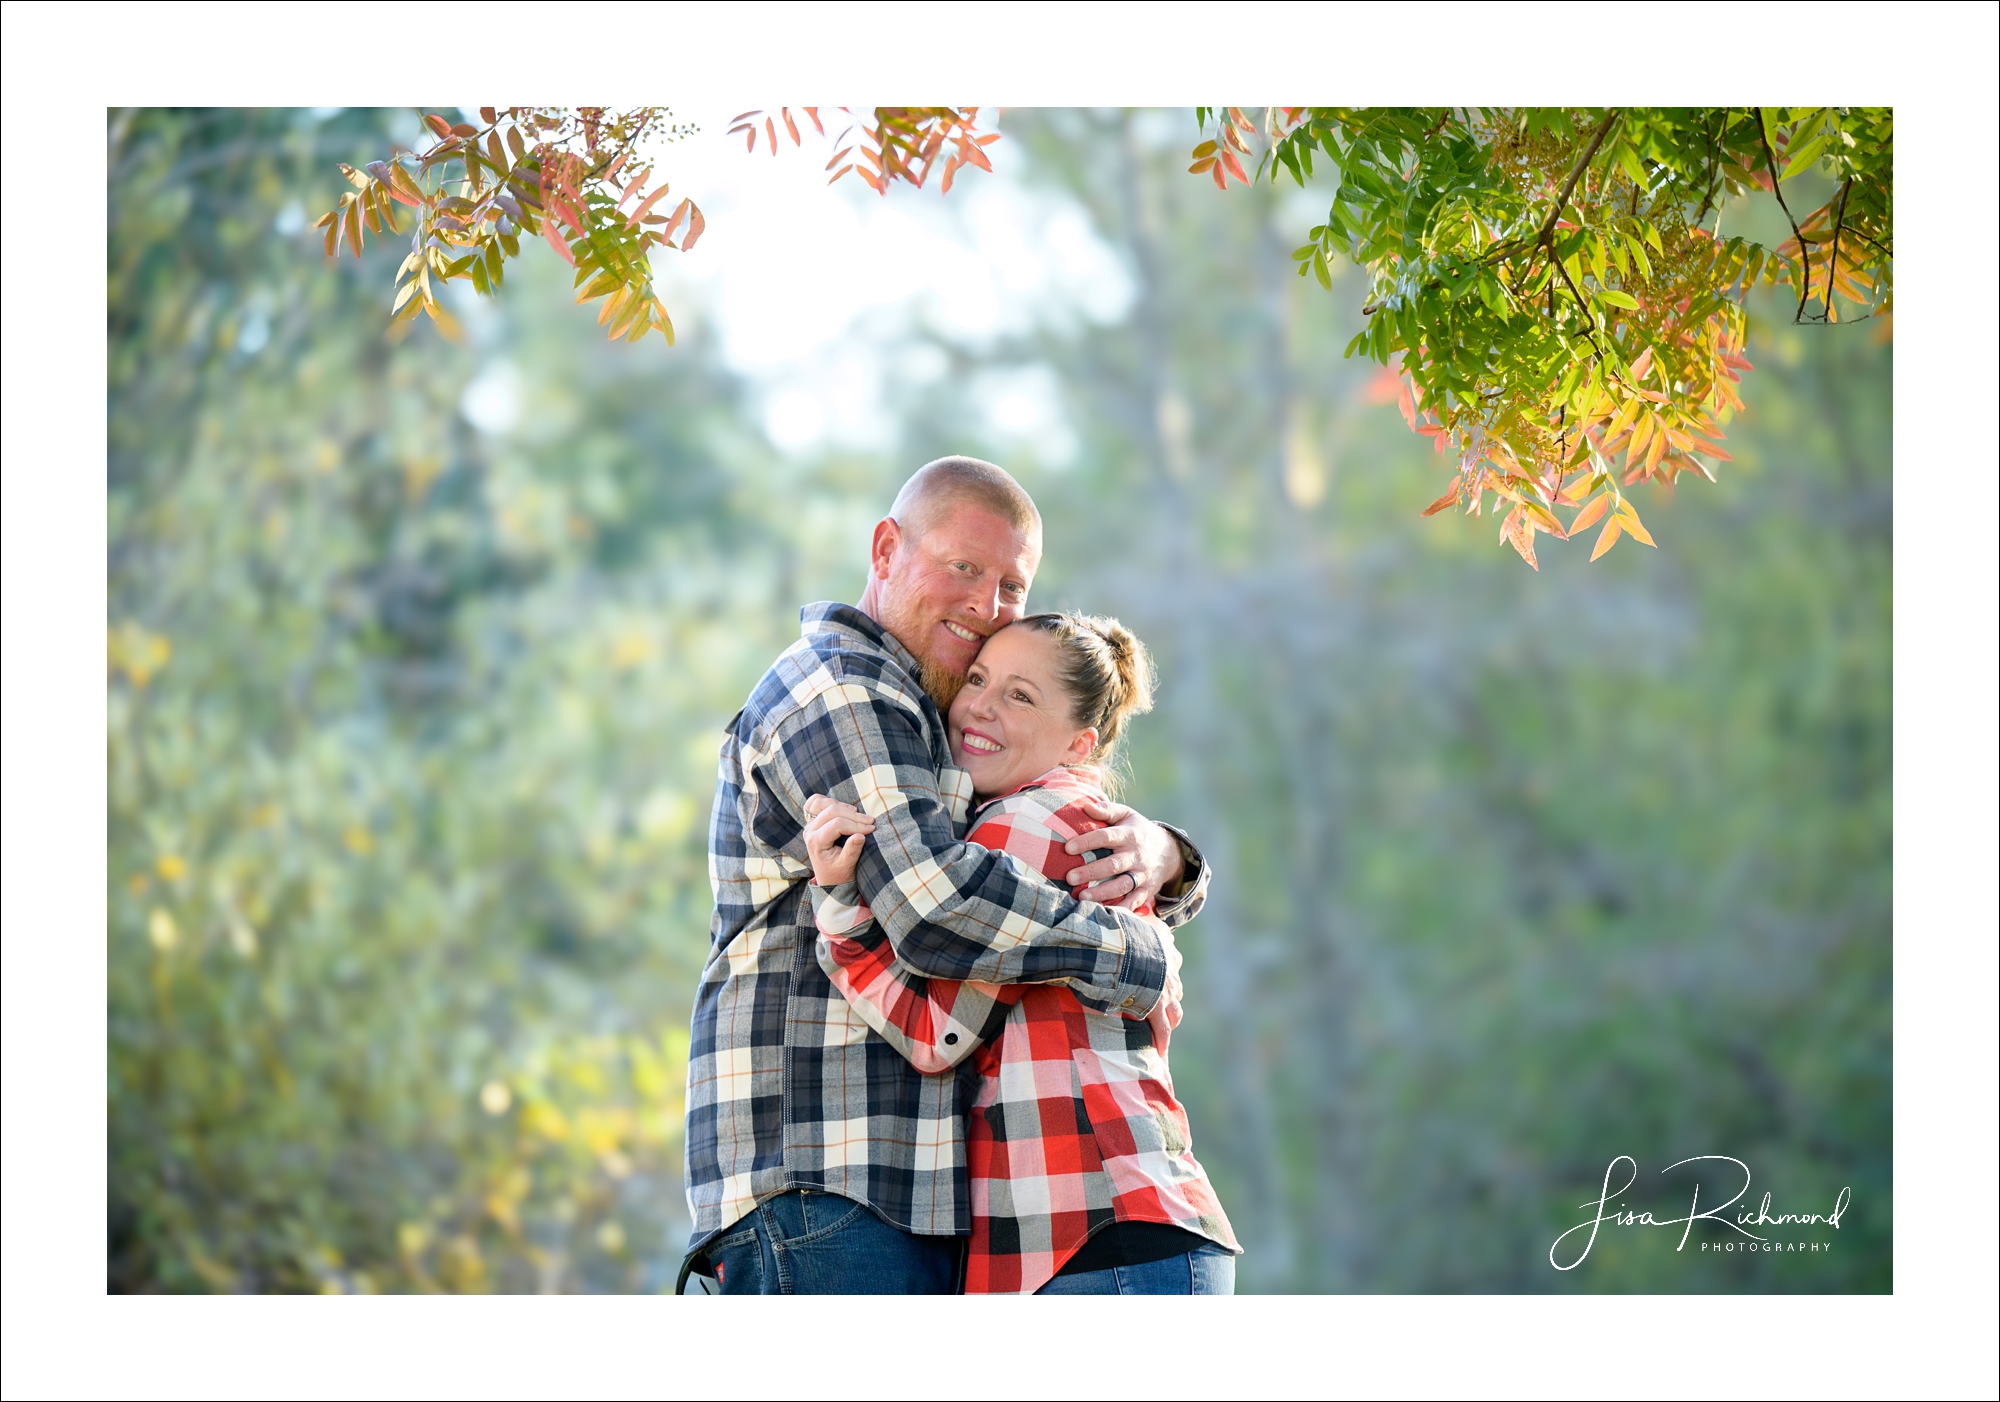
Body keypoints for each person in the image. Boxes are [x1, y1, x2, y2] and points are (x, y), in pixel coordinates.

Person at [682, 457, 1210, 1294]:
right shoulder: (845, 688)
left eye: (1011, 582)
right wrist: (1128, 949)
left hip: (907, 1195)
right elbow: (938, 906)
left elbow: (1039, 819)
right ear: (886, 548)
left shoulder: (934, 710)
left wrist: (1171, 857)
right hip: (826, 1176)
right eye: (963, 567)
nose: (987, 603)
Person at [804, 611, 1239, 1294]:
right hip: (1126, 1230)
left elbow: (934, 1031)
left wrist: (840, 908)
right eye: (979, 679)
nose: (979, 704)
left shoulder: (1022, 825)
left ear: (1079, 743)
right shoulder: (1088, 824)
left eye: (1020, 695)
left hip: (1094, 1234)